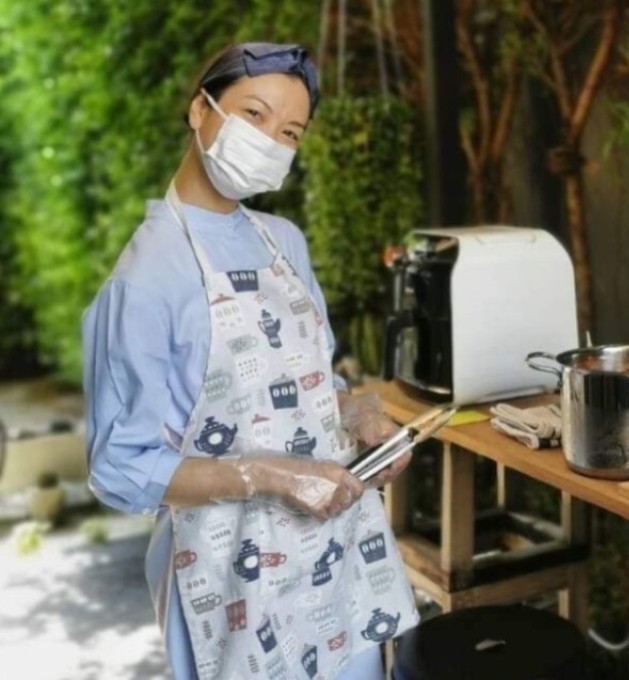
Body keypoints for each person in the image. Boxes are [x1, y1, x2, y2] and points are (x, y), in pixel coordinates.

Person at [82, 43, 419, 680]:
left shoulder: (284, 242)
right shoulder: (143, 282)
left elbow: (304, 383)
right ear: (199, 111)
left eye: (290, 131)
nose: (270, 140)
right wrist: (267, 475)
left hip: (332, 551)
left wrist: (358, 415)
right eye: (254, 114)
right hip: (224, 573)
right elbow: (120, 467)